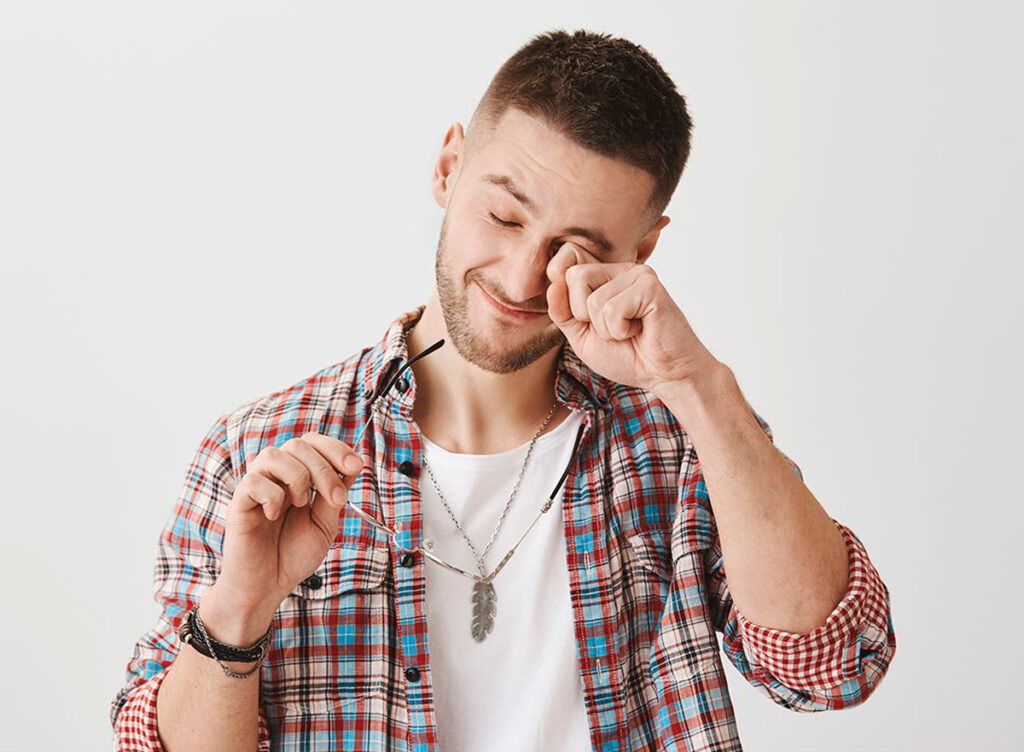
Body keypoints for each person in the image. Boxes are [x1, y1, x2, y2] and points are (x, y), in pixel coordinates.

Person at [110, 28, 896, 752]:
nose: (523, 278)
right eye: (504, 216)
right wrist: (239, 609)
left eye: (576, 249)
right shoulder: (257, 450)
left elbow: (831, 669)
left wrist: (701, 387)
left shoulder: (686, 433)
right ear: (449, 168)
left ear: (643, 248)